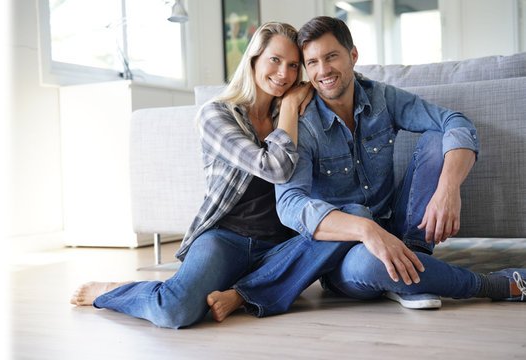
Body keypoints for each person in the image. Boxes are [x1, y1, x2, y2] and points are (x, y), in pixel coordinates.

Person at [208, 16, 526, 316]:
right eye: (312, 63)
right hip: (347, 251)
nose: (323, 71)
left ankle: (412, 265)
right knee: (372, 265)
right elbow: (290, 205)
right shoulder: (301, 123)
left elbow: (454, 121)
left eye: (331, 57)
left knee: (435, 138)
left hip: (402, 229)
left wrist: (448, 188)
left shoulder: (381, 97)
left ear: (353, 55)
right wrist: (364, 229)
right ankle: (495, 284)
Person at [69, 22, 359, 329]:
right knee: (175, 310)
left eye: (293, 65)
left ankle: (239, 294)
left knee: (353, 218)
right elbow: (276, 168)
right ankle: (115, 291)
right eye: (275, 60)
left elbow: (344, 84)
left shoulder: (300, 110)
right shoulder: (217, 114)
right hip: (226, 239)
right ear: (253, 59)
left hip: (281, 245)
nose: (285, 74)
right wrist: (288, 105)